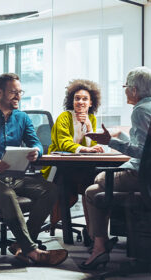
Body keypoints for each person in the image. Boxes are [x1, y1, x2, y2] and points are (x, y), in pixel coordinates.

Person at [0, 73, 68, 266]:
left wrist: (36, 151)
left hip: (15, 177)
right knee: (6, 194)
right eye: (13, 92)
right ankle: (33, 251)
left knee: (50, 189)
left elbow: (36, 143)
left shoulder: (23, 118)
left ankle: (20, 245)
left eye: (20, 92)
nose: (18, 96)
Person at [81, 66, 151, 269]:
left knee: (98, 181)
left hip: (140, 175)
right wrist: (118, 136)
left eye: (125, 86)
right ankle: (100, 246)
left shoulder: (140, 111)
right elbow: (146, 145)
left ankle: (99, 248)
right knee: (93, 192)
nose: (124, 90)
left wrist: (110, 142)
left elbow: (142, 152)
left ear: (133, 90)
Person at [41, 79, 103, 239]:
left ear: (91, 103)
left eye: (84, 99)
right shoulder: (64, 117)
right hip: (59, 167)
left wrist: (89, 129)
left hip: (81, 166)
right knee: (78, 181)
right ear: (71, 100)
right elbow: (63, 142)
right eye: (77, 98)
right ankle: (84, 233)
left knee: (94, 182)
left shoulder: (92, 119)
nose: (80, 102)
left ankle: (93, 233)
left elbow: (93, 145)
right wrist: (85, 149)